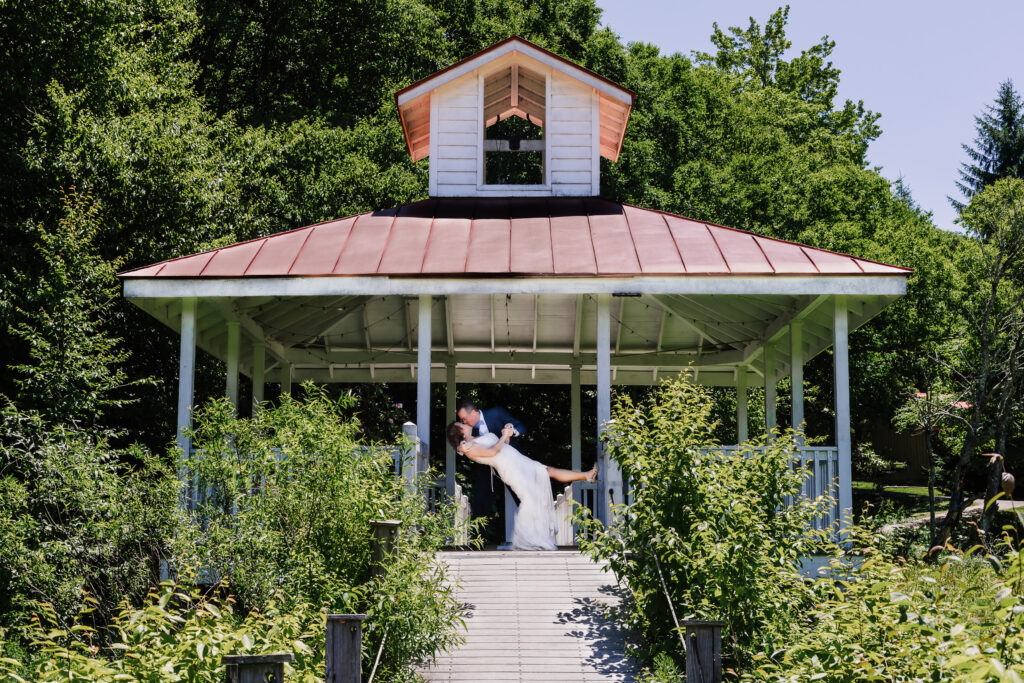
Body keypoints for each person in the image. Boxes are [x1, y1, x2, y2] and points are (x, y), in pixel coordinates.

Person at [446, 420, 597, 550]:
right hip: (511, 469)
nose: (466, 424)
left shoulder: (474, 440)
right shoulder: (468, 447)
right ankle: (529, 539)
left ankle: (586, 475)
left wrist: (507, 433)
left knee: (547, 471)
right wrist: (462, 446)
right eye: (462, 424)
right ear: (459, 432)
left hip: (519, 461)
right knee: (531, 498)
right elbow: (492, 453)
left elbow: (502, 445)